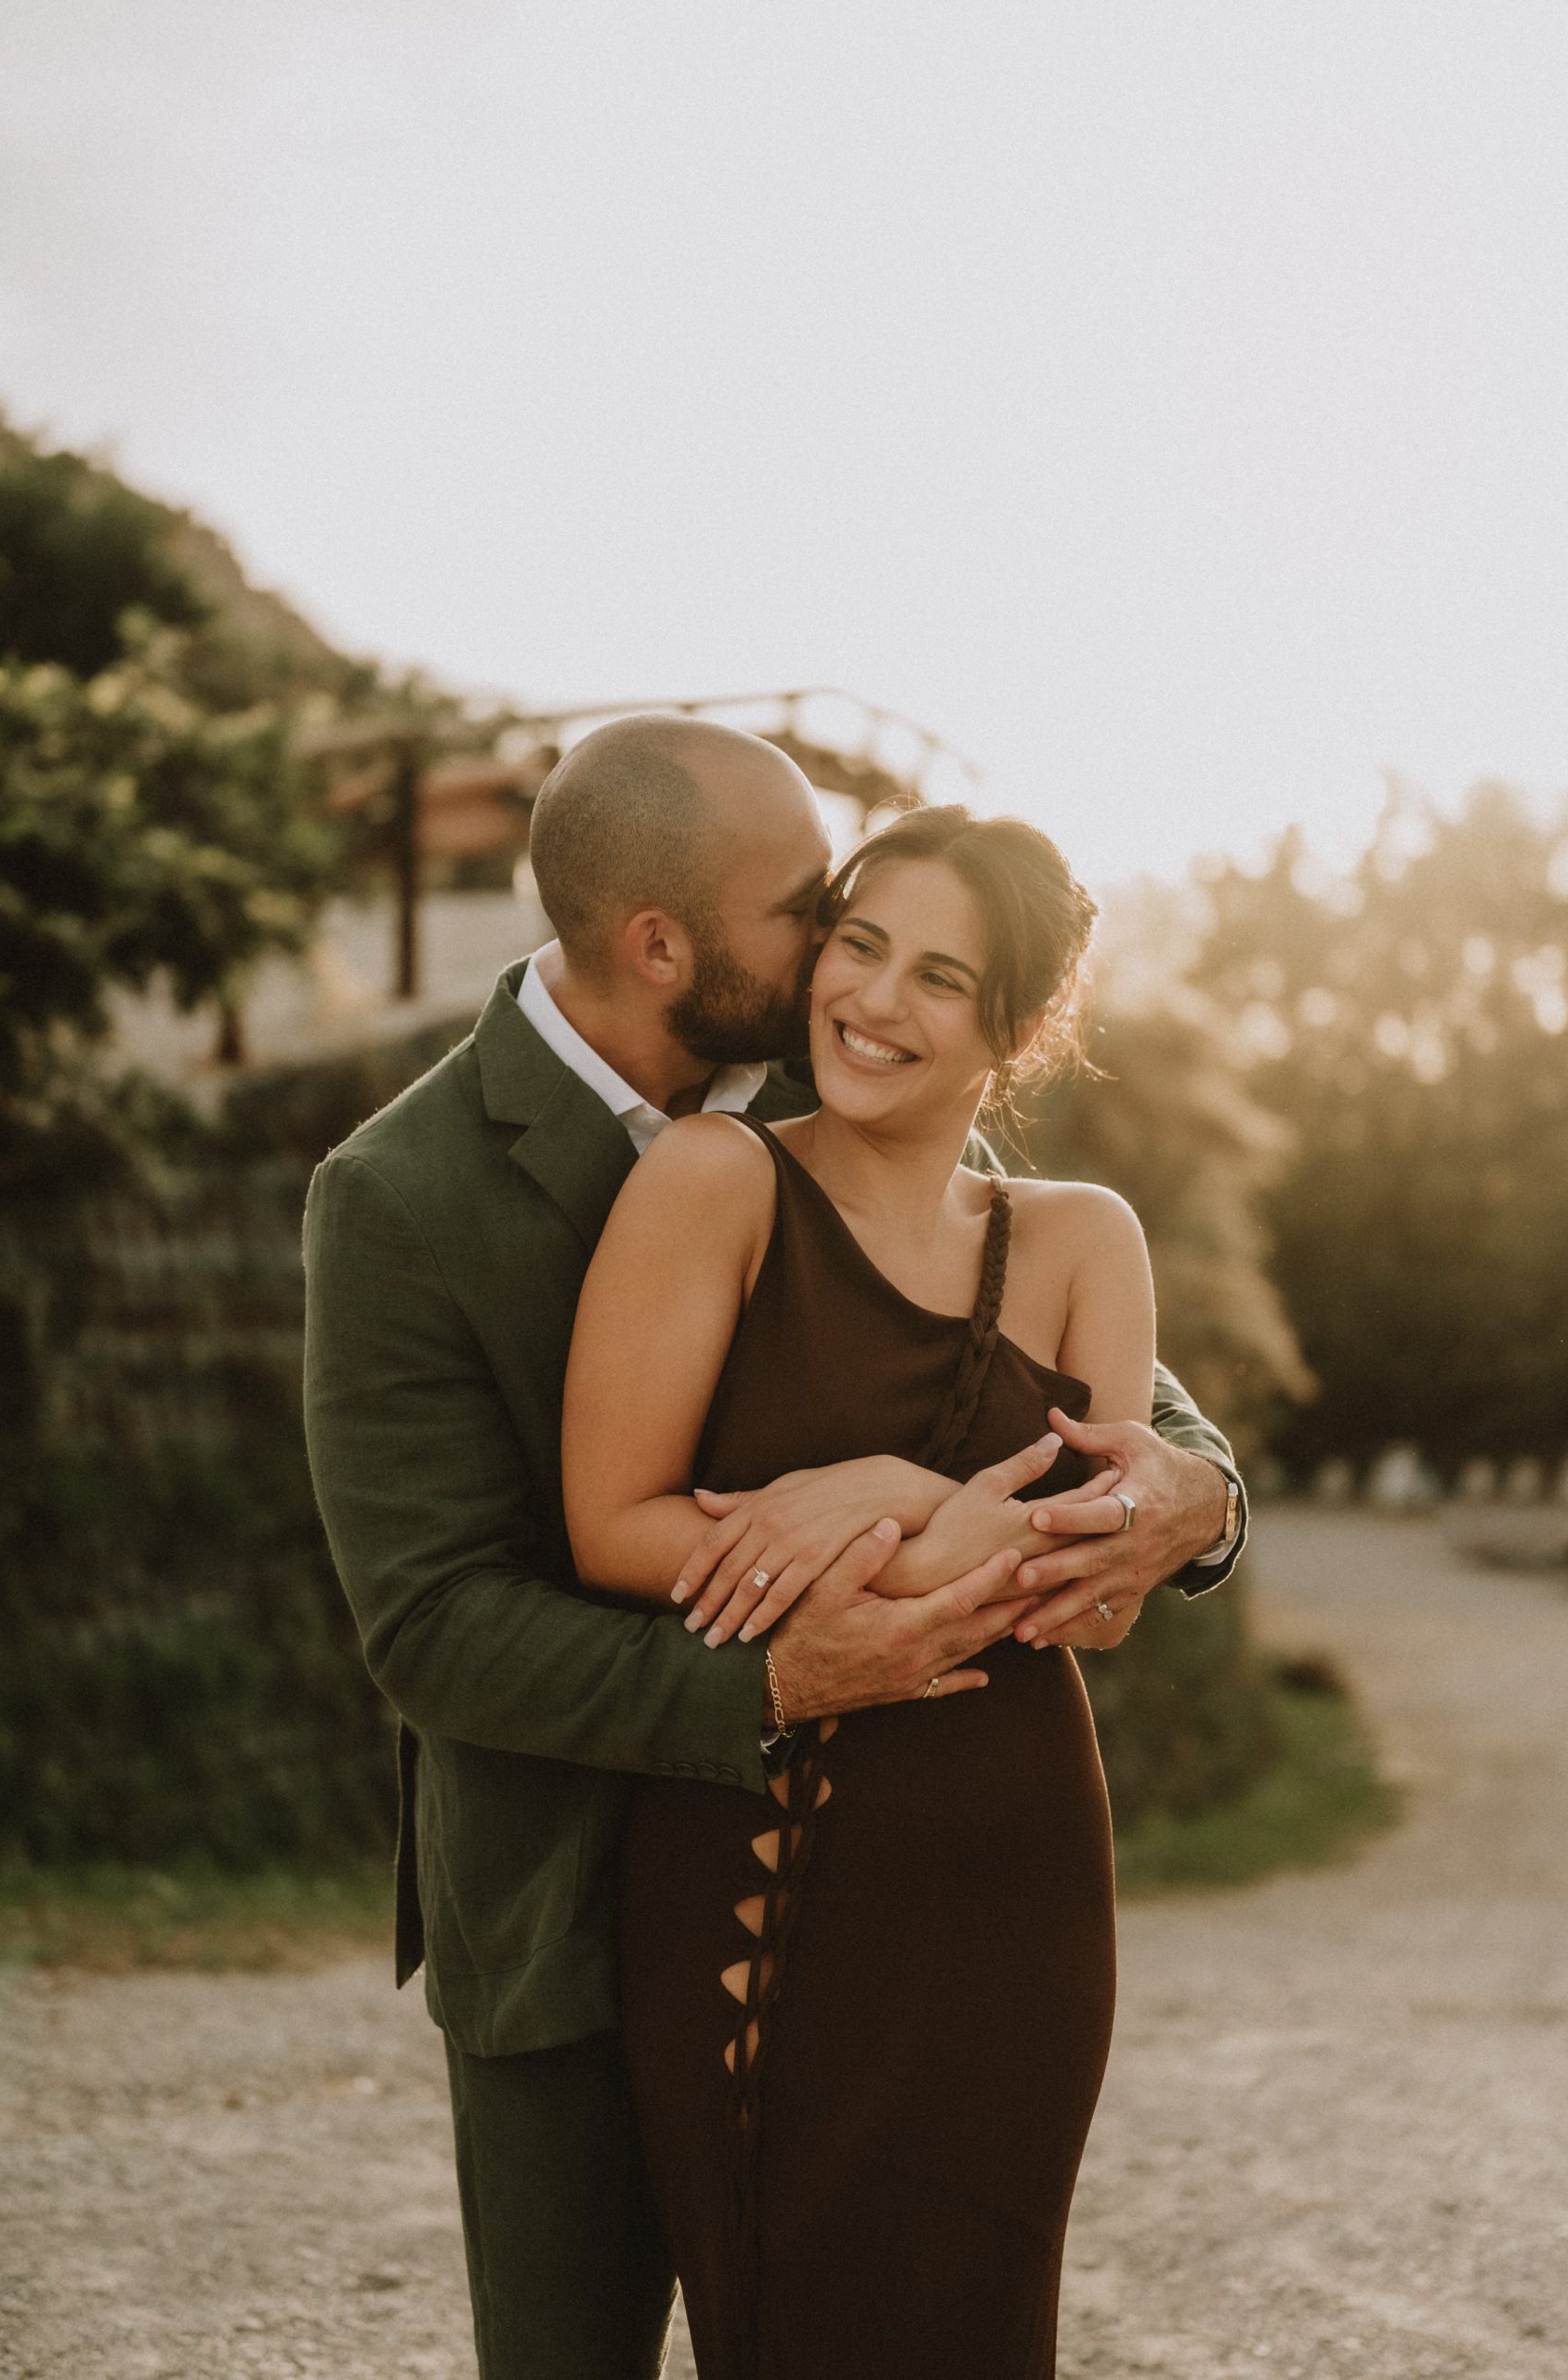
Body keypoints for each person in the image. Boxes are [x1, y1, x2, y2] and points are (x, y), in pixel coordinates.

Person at [302, 714, 1245, 2380]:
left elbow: (1075, 1382)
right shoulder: (400, 1194)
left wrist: (1203, 1497)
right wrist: (772, 1682)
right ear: (660, 943)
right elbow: (432, 1624)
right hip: (564, 1900)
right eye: (813, 907)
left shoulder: (851, 1061)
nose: (847, 954)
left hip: (902, 1879)